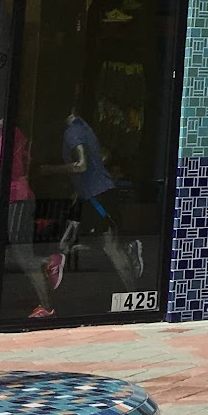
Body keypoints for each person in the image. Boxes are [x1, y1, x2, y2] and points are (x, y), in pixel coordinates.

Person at [61, 109, 141, 288]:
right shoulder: (85, 129)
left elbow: (84, 165)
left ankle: (132, 292)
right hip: (91, 194)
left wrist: (50, 169)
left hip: (97, 196)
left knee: (109, 247)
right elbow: (102, 156)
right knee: (89, 242)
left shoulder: (75, 131)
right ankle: (127, 249)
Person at [0, 120, 54, 318]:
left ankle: (46, 306)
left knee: (23, 254)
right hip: (8, 198)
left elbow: (0, 166)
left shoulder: (5, 131)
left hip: (16, 198)